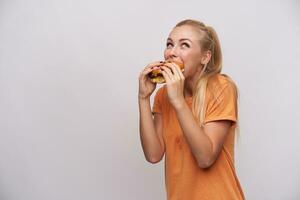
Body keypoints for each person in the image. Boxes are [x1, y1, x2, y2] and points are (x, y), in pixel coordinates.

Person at [138, 19, 245, 200]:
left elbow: (205, 158)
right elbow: (153, 154)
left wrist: (178, 101)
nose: (172, 52)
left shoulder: (222, 87)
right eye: (169, 44)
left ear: (205, 57)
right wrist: (143, 98)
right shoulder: (163, 95)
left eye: (184, 45)